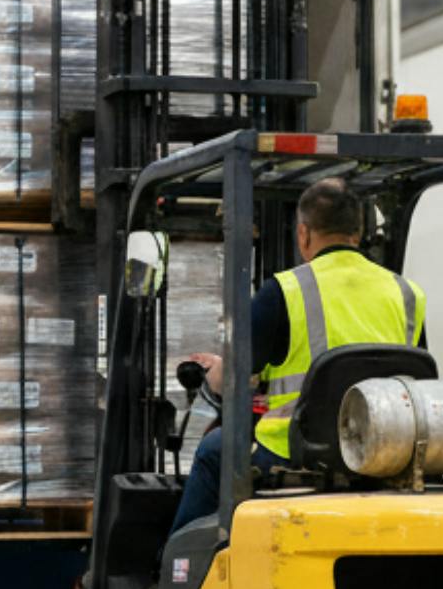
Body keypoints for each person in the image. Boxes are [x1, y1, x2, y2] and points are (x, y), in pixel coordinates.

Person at [171, 178, 426, 532]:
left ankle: (174, 576)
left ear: (303, 234)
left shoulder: (284, 291)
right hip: (386, 453)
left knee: (215, 448)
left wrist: (214, 370)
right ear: (359, 232)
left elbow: (232, 377)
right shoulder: (407, 293)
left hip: (300, 453)